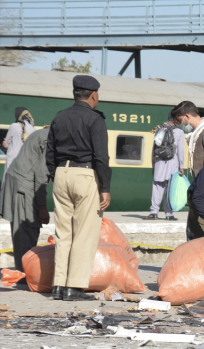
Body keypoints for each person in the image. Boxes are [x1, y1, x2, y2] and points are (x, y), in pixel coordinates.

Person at [45, 75, 112, 301]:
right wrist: (105, 187)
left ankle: (58, 285)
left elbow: (50, 153)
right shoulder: (95, 120)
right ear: (93, 95)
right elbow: (101, 156)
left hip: (61, 174)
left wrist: (56, 174)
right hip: (85, 175)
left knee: (63, 233)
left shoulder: (59, 117)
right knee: (84, 233)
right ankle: (73, 287)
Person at [0, 128, 50, 274]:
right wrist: (42, 206)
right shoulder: (50, 140)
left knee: (23, 228)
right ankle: (24, 271)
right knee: (26, 227)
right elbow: (41, 175)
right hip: (24, 184)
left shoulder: (43, 133)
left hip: (20, 180)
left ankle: (24, 269)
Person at [145, 110, 185, 220]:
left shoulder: (160, 129)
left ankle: (154, 212)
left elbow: (154, 148)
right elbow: (180, 151)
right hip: (173, 163)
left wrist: (153, 165)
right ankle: (169, 214)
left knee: (157, 188)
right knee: (169, 189)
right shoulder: (179, 132)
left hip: (159, 162)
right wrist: (181, 166)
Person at [3, 107, 35, 180]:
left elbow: (6, 144)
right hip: (26, 161)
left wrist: (5, 143)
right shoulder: (33, 129)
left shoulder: (14, 126)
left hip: (12, 159)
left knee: (8, 183)